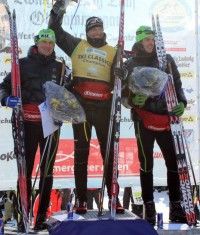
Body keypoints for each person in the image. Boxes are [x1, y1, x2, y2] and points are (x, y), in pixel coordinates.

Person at [48, 0, 124, 214]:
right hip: (80, 108)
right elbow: (54, 29)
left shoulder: (113, 51)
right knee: (80, 154)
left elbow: (122, 80)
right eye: (92, 28)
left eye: (99, 28)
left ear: (103, 30)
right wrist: (58, 9)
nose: (96, 31)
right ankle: (81, 199)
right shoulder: (77, 45)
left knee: (109, 153)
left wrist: (122, 75)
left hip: (103, 108)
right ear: (87, 31)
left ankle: (114, 198)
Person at [0, 28, 68, 232]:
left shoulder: (61, 68)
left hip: (50, 125)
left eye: (51, 43)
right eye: (44, 42)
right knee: (25, 171)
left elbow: (67, 94)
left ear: (54, 45)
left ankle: (40, 218)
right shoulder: (22, 64)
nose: (47, 46)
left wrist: (64, 108)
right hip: (26, 123)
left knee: (47, 172)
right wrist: (6, 98)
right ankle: (23, 216)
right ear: (37, 43)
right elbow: (3, 86)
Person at [121, 26, 187, 225]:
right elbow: (124, 94)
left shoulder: (166, 60)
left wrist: (182, 103)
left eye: (153, 39)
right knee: (146, 164)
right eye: (146, 39)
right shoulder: (131, 64)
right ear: (140, 42)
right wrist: (133, 101)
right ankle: (149, 209)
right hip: (143, 120)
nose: (150, 43)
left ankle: (176, 207)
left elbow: (177, 83)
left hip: (166, 119)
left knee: (174, 164)